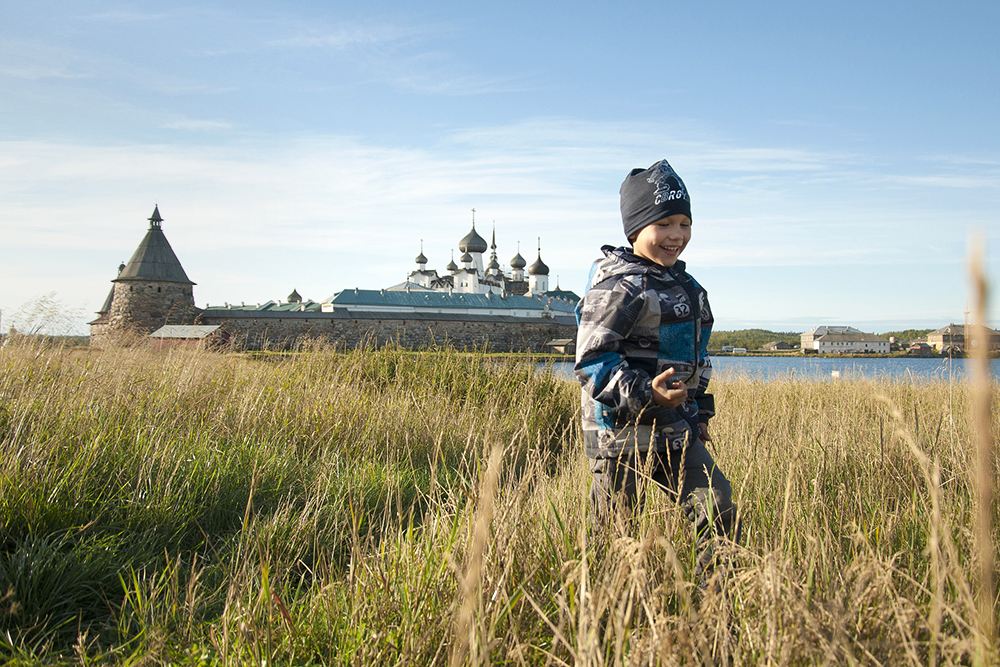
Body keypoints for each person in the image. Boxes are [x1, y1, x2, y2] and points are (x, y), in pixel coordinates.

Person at [574, 159, 739, 580]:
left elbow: (696, 362)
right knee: (616, 537)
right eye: (663, 223)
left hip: (676, 431)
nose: (676, 235)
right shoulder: (620, 287)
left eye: (684, 223)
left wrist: (699, 413)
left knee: (718, 508)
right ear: (635, 230)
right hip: (622, 435)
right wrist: (647, 392)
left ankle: (714, 612)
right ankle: (607, 621)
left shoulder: (690, 289)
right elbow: (593, 360)